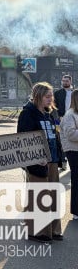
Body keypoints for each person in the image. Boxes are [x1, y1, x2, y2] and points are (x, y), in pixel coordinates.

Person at [17, 82, 63, 243]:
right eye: (47, 96)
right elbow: (23, 140)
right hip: (38, 163)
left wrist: (60, 157)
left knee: (53, 196)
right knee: (39, 197)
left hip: (52, 160)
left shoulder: (49, 113)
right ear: (38, 96)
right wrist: (35, 158)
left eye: (52, 96)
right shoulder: (28, 113)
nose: (51, 99)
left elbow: (55, 136)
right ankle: (36, 231)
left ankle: (53, 230)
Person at [59, 89, 78, 220]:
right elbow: (71, 134)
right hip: (73, 151)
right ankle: (76, 211)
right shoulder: (70, 114)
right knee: (76, 180)